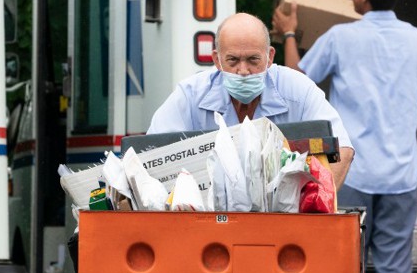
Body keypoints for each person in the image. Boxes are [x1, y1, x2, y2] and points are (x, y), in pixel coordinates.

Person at [273, 0, 417, 273]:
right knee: (395, 266)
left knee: (345, 263)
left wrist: (288, 31)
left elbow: (297, 79)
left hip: (352, 174)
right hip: (402, 175)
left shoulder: (341, 37)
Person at [148, 12, 354, 188]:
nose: (243, 71)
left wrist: (317, 202)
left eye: (253, 60)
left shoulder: (298, 89)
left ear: (270, 57)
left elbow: (342, 149)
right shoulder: (191, 95)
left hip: (283, 219)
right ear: (216, 60)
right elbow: (150, 154)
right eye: (233, 60)